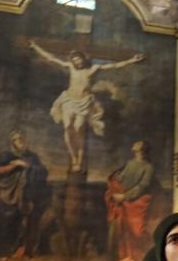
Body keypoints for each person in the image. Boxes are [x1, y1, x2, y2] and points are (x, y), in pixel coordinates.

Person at [28, 41, 144, 171]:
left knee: (78, 128)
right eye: (75, 60)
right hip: (68, 101)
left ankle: (80, 157)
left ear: (83, 59)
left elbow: (114, 66)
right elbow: (52, 58)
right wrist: (36, 47)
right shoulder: (70, 67)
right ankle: (74, 158)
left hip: (84, 102)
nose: (77, 62)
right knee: (67, 128)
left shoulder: (92, 69)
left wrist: (132, 60)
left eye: (79, 60)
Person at [0, 131, 50, 259]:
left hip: (27, 195)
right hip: (9, 195)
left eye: (22, 139)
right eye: (17, 139)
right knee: (9, 222)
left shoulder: (32, 157)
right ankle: (7, 252)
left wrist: (30, 167)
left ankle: (23, 251)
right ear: (13, 142)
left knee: (26, 223)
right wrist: (14, 165)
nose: (21, 141)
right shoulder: (6, 155)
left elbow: (43, 171)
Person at [107, 141, 156, 261]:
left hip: (137, 201)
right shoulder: (130, 164)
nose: (138, 151)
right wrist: (116, 178)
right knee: (123, 227)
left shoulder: (148, 167)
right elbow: (122, 178)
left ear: (144, 151)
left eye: (141, 149)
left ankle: (139, 255)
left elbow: (142, 186)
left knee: (136, 230)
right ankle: (126, 256)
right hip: (124, 199)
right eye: (137, 149)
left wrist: (125, 196)